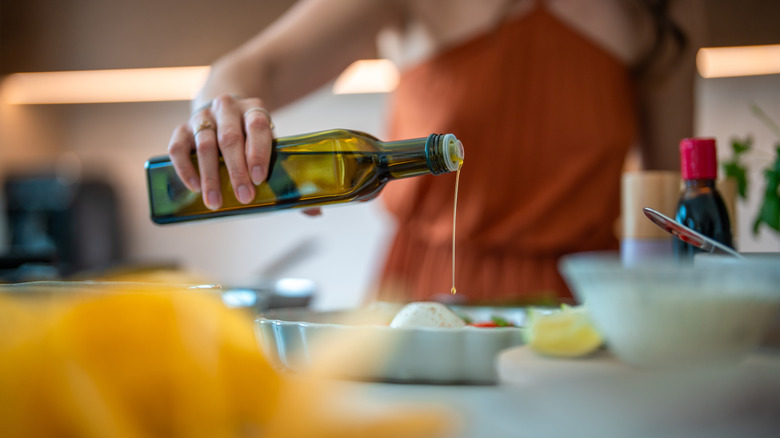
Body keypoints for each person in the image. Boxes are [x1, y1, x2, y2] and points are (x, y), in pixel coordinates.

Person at [167, 0, 704, 305]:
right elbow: (249, 70)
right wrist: (222, 117)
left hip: (586, 307)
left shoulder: (661, 13)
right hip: (424, 302)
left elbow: (670, 206)